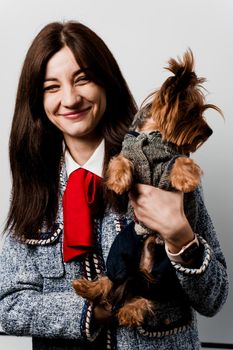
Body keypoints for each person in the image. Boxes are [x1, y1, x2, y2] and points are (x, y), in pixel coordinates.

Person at [0, 21, 228, 350]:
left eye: (83, 79)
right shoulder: (36, 186)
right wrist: (91, 312)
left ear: (107, 83)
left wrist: (181, 238)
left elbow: (214, 299)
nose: (70, 98)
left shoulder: (163, 168)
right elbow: (7, 306)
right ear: (37, 100)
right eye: (52, 87)